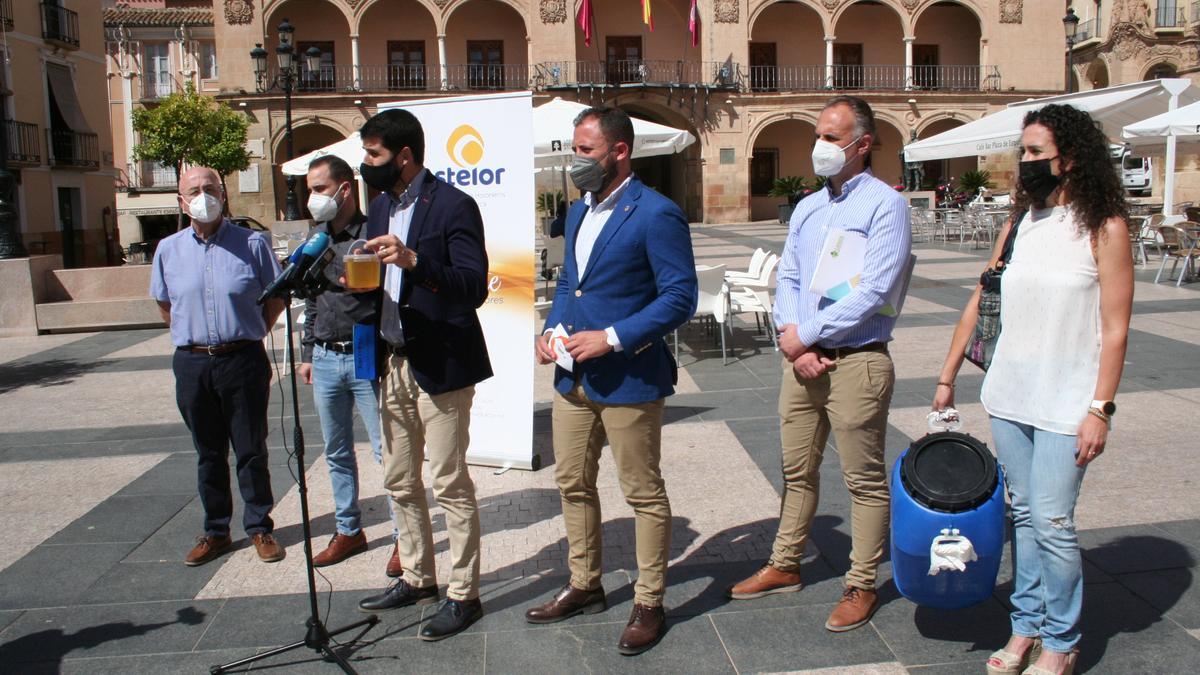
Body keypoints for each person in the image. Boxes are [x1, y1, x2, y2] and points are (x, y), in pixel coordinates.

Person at [933, 104, 1132, 675]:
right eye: (1023, 152)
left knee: (1053, 521)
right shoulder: (1019, 223)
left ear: (1069, 159)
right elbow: (980, 299)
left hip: (1068, 399)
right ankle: (1023, 628)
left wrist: (1100, 408)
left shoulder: (1105, 228)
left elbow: (1116, 328)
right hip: (1010, 393)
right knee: (1022, 515)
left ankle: (1061, 641)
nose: (1026, 163)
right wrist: (947, 377)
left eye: (1036, 153)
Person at [727, 96, 912, 633]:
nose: (821, 146)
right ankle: (785, 564)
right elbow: (788, 278)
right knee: (796, 471)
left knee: (864, 479)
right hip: (802, 361)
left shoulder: (885, 205)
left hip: (858, 361)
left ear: (863, 144)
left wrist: (806, 335)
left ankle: (861, 583)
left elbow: (876, 289)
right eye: (819, 135)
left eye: (833, 137)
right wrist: (796, 342)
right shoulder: (808, 207)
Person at [528, 106, 698, 656]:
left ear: (619, 152)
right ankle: (585, 583)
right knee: (572, 484)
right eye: (574, 148)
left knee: (642, 493)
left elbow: (679, 296)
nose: (575, 159)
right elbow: (570, 284)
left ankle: (650, 600)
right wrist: (551, 328)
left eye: (584, 150)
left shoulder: (656, 213)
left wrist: (615, 337)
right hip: (571, 376)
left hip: (629, 375)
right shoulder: (578, 211)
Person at [353, 108, 493, 643]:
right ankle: (417, 578)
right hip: (392, 360)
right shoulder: (380, 205)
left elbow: (472, 286)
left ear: (404, 156)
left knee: (449, 482)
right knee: (398, 480)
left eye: (374, 155)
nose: (367, 165)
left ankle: (464, 594)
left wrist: (413, 261)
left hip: (443, 364)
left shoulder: (455, 205)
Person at [150, 166, 287, 566]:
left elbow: (273, 297)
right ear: (180, 201)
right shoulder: (168, 249)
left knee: (251, 448)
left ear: (224, 195)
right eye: (193, 190)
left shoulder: (253, 244)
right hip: (193, 363)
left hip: (242, 358)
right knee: (208, 452)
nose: (203, 195)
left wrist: (250, 332)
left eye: (210, 188)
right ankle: (216, 531)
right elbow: (164, 303)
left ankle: (260, 526)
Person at [296, 155, 399, 572]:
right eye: (309, 189)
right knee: (336, 452)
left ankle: (401, 536)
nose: (312, 197)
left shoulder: (373, 233)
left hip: (365, 350)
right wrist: (306, 352)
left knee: (386, 451)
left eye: (319, 188)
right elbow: (308, 297)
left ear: (343, 188)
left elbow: (387, 292)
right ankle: (348, 530)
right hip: (324, 355)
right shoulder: (315, 237)